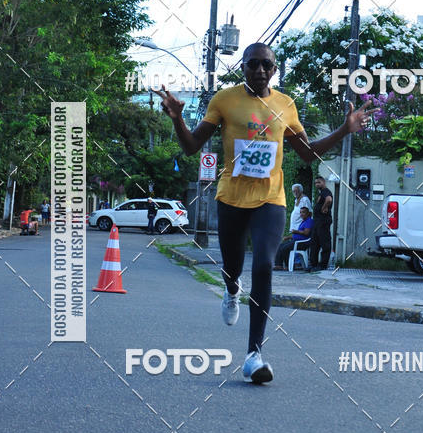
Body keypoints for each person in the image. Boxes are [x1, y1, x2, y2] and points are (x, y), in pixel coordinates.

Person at [156, 42, 371, 385]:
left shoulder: (285, 104)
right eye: (252, 64)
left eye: (265, 65)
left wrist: (344, 129)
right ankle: (231, 289)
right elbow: (192, 146)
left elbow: (306, 153)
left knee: (264, 266)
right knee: (232, 267)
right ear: (242, 67)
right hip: (231, 198)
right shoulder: (224, 100)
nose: (259, 70)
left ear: (274, 70)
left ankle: (254, 355)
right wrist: (178, 119)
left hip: (271, 200)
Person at [274, 206, 313, 270]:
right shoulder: (303, 221)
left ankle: (288, 266)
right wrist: (288, 237)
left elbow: (306, 233)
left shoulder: (309, 221)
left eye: (303, 212)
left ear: (308, 213)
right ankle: (278, 265)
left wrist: (296, 231)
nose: (301, 214)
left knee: (285, 248)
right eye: (300, 212)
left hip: (303, 243)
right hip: (296, 241)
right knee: (280, 245)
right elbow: (299, 235)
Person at [309, 175, 333, 271]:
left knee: (325, 243)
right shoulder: (321, 193)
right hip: (317, 222)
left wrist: (324, 207)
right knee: (314, 243)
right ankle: (313, 264)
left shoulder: (326, 191)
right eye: (315, 183)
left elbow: (329, 199)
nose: (317, 184)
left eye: (319, 182)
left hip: (323, 221)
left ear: (323, 182)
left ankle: (323, 265)